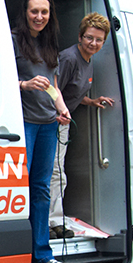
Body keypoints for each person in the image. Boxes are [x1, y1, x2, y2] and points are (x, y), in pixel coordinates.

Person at [12, 0, 71, 263]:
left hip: (48, 124)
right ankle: (22, 255)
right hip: (23, 123)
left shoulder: (51, 46)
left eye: (44, 12)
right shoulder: (12, 41)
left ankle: (42, 253)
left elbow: (54, 86)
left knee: (41, 188)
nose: (39, 16)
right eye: (34, 11)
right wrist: (23, 85)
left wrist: (62, 108)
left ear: (50, 15)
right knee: (21, 187)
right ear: (25, 13)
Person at [49, 13, 115, 239]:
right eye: (89, 38)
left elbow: (72, 92)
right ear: (80, 36)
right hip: (55, 121)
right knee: (57, 173)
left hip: (65, 120)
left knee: (57, 172)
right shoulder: (69, 58)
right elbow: (52, 88)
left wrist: (90, 101)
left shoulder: (88, 60)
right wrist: (58, 112)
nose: (93, 43)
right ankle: (53, 222)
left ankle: (53, 219)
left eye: (99, 40)